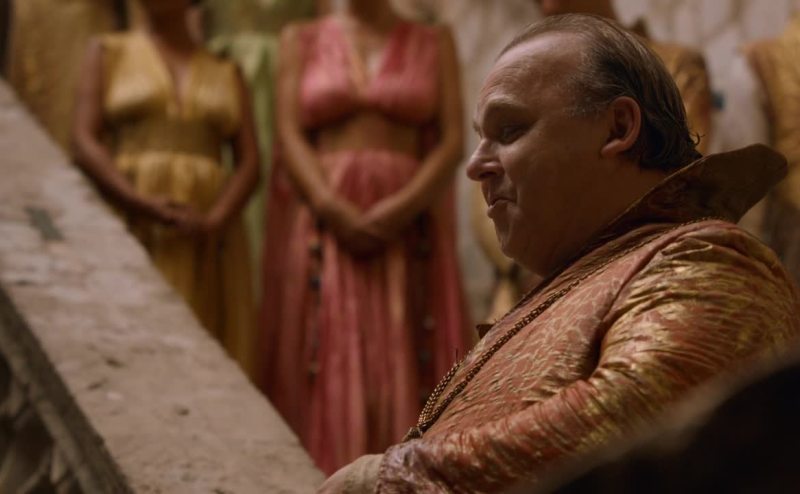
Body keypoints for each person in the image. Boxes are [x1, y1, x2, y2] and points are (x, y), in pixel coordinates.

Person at [319, 14, 800, 492]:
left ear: (617, 128)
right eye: (481, 137)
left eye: (509, 130)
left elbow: (635, 416)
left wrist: (385, 478)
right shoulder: (591, 273)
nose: (475, 165)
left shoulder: (707, 259)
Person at [262, 0, 470, 475]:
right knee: (327, 354)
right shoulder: (300, 40)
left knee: (404, 354)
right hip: (325, 227)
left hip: (409, 227)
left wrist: (402, 208)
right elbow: (289, 135)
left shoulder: (434, 41)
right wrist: (331, 207)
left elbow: (452, 141)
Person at [71, 0, 261, 379]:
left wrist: (215, 220)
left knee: (205, 337)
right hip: (132, 220)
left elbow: (251, 162)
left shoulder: (226, 70)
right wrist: (136, 199)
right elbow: (83, 140)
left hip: (207, 234)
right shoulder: (109, 52)